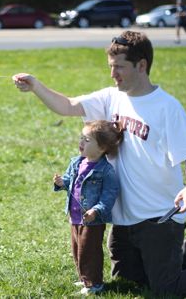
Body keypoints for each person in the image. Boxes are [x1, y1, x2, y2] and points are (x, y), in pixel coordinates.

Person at [12, 31, 186, 295]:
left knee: (166, 288)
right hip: (123, 221)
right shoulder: (111, 98)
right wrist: (36, 86)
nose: (112, 74)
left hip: (159, 217)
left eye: (119, 67)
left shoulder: (167, 107)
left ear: (141, 65)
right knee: (129, 280)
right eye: (110, 67)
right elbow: (68, 105)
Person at [53, 120, 123, 295]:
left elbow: (109, 195)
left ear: (101, 148)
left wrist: (96, 210)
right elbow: (70, 181)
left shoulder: (106, 171)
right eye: (81, 138)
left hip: (92, 220)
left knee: (88, 251)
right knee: (77, 249)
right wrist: (62, 183)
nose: (81, 142)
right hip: (75, 216)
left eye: (87, 140)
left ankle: (95, 284)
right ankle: (85, 278)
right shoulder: (77, 162)